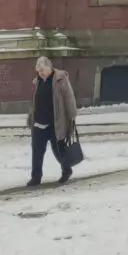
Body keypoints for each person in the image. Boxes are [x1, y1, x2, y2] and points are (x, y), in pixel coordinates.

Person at [26, 56, 77, 187]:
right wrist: (31, 117)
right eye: (38, 71)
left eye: (42, 70)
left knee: (58, 150)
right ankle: (36, 177)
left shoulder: (60, 79)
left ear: (50, 67)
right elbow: (34, 102)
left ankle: (66, 170)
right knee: (37, 151)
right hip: (39, 122)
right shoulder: (37, 81)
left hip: (55, 122)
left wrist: (72, 116)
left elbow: (69, 98)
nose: (41, 73)